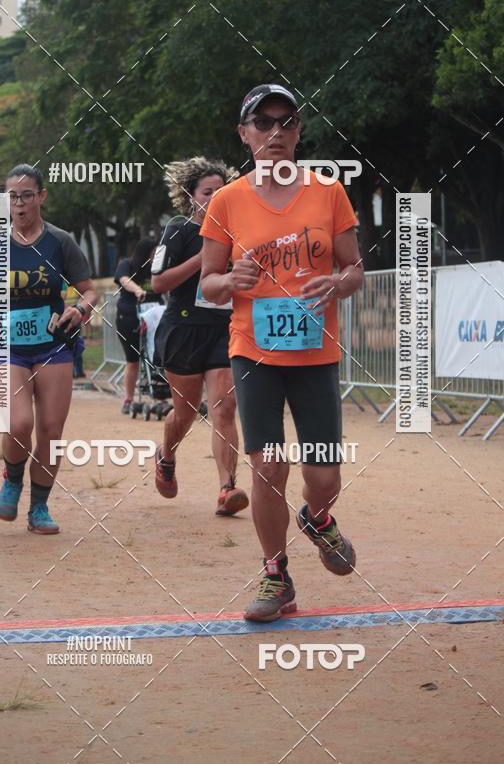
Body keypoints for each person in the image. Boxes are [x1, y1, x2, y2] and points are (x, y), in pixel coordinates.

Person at [200, 84, 363, 621]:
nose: (275, 132)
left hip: (316, 353)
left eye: (286, 122)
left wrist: (338, 284)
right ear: (244, 134)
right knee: (268, 465)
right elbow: (208, 285)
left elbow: (354, 269)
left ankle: (319, 518)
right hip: (254, 352)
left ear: (298, 132)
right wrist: (233, 278)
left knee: (324, 476)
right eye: (262, 122)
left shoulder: (328, 192)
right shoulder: (227, 201)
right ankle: (276, 576)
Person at [0, 164, 97, 535]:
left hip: (54, 345)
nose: (19, 204)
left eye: (26, 195)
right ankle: (13, 478)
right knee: (20, 423)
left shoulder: (60, 242)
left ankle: (39, 507)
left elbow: (88, 288)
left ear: (41, 196)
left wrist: (80, 308)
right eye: (13, 196)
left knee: (51, 431)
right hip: (8, 347)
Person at [151, 157, 249, 517]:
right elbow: (159, 283)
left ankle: (227, 488)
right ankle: (166, 454)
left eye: (221, 190)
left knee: (224, 407)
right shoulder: (178, 230)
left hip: (224, 329)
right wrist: (205, 258)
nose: (215, 197)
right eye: (208, 192)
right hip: (183, 329)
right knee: (186, 412)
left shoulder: (239, 231)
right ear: (190, 196)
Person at [114, 238, 162, 414]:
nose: (156, 256)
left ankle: (161, 395)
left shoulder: (158, 268)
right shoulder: (126, 264)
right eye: (153, 252)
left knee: (159, 358)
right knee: (133, 359)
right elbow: (124, 279)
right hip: (130, 317)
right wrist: (137, 290)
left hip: (155, 317)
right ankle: (128, 398)